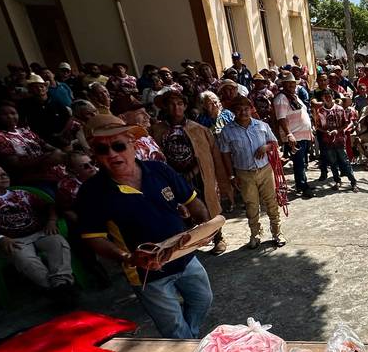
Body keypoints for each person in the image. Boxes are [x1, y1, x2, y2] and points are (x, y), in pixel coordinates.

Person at [77, 117, 213, 339]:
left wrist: (205, 228)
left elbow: (193, 201)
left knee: (202, 300)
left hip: (185, 257)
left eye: (118, 146)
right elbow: (94, 238)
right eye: (103, 149)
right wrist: (128, 257)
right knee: (175, 331)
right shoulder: (92, 192)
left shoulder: (159, 170)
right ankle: (190, 351)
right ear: (95, 154)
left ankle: (191, 343)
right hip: (147, 273)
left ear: (132, 144)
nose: (112, 154)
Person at [0, 165, 75, 300]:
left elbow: (50, 205)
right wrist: (0, 238)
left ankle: (60, 286)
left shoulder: (21, 193)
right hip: (11, 240)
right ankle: (58, 289)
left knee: (58, 242)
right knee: (26, 260)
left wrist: (52, 221)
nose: (3, 177)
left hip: (39, 232)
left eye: (4, 174)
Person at [150, 91, 228, 254]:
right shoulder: (157, 130)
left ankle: (218, 237)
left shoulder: (198, 129)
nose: (175, 107)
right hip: (172, 177)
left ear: (185, 106)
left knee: (206, 205)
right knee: (178, 209)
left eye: (179, 104)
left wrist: (195, 173)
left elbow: (206, 156)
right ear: (165, 107)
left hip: (198, 175)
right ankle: (185, 244)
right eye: (171, 104)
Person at [219, 96, 284, 248]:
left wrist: (265, 148)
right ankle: (255, 234)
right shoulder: (227, 131)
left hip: (265, 170)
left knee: (271, 202)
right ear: (234, 111)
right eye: (239, 109)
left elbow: (274, 143)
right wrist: (231, 175)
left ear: (251, 109)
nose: (243, 112)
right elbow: (225, 155)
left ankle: (277, 232)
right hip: (244, 173)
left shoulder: (261, 125)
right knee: (251, 205)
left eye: (246, 108)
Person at [0, 100, 65, 187]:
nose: (10, 116)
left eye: (13, 113)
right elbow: (15, 164)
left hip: (54, 171)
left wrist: (56, 153)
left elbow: (48, 147)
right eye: (4, 114)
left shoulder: (24, 131)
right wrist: (46, 157)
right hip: (31, 179)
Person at [274, 71, 315, 198]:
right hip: (294, 135)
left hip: (302, 134)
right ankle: (303, 186)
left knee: (301, 161)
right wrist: (289, 134)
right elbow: (281, 118)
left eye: (293, 84)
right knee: (299, 162)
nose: (292, 86)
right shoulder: (281, 98)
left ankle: (301, 183)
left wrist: (310, 131)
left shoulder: (293, 96)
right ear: (284, 85)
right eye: (289, 84)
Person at [313, 89, 358, 191]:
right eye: (325, 96)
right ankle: (337, 181)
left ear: (332, 96)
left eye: (329, 95)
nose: (327, 98)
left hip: (339, 140)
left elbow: (345, 124)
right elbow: (317, 126)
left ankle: (353, 182)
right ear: (322, 98)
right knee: (332, 162)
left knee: (345, 161)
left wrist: (337, 131)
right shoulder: (320, 111)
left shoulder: (340, 109)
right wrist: (326, 131)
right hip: (327, 140)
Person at [19, 73, 71, 149]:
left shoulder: (55, 101)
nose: (39, 89)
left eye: (41, 86)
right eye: (35, 87)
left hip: (62, 137)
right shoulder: (26, 105)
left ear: (46, 89)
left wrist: (62, 133)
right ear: (30, 90)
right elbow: (25, 124)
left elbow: (68, 118)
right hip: (42, 141)